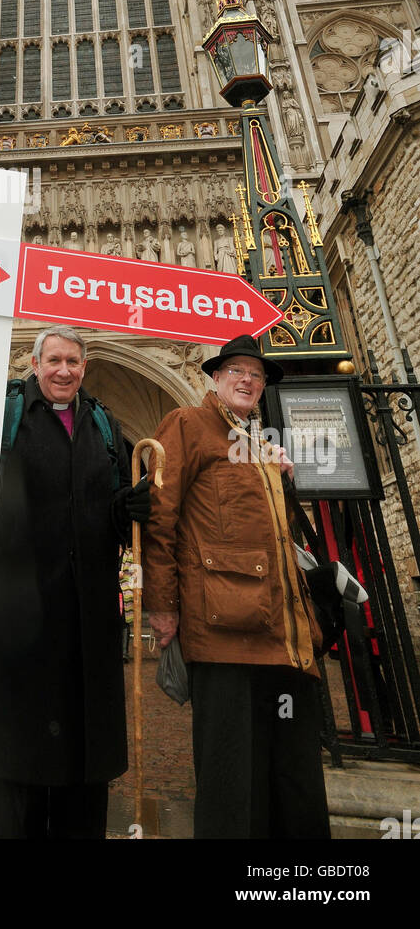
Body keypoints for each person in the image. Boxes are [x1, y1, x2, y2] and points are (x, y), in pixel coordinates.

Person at [143, 333, 331, 840]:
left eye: (256, 374)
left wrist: (280, 477)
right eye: (236, 372)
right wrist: (162, 607)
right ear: (215, 378)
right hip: (224, 627)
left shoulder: (261, 443)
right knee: (231, 774)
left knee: (291, 771)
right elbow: (160, 519)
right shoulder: (187, 425)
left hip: (284, 631)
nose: (247, 380)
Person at [0, 325, 149, 839]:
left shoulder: (102, 423)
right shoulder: (5, 416)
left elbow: (115, 509)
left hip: (89, 617)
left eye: (73, 362)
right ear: (35, 364)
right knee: (22, 757)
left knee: (86, 753)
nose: (64, 370)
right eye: (54, 360)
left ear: (84, 368)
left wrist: (130, 506)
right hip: (24, 617)